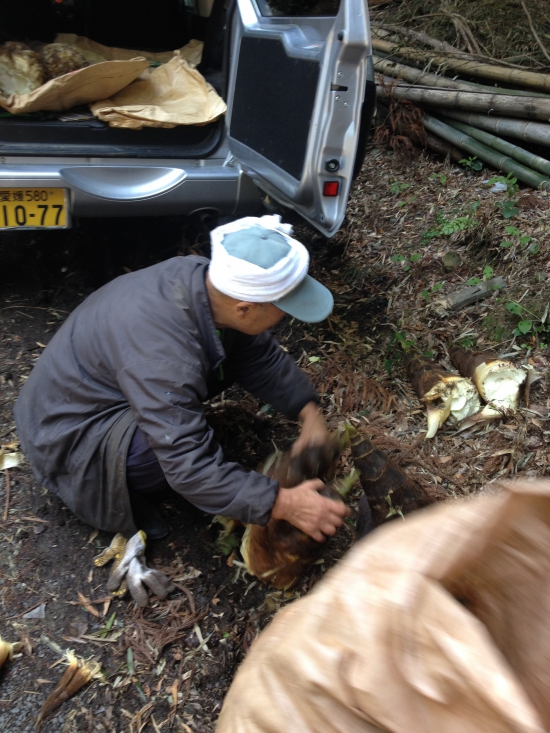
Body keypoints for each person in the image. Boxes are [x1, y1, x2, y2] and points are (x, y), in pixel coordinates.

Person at [14, 215, 349, 541]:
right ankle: (116, 486)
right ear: (245, 308)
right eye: (283, 307)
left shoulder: (206, 284)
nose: (285, 316)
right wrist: (284, 503)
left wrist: (309, 414)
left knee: (212, 373)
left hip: (91, 392)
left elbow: (257, 354)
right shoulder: (163, 351)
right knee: (156, 457)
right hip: (66, 435)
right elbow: (187, 466)